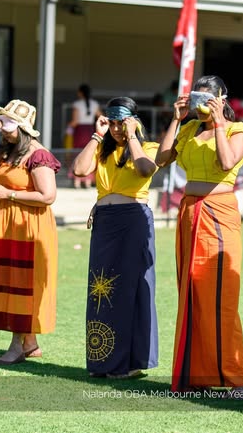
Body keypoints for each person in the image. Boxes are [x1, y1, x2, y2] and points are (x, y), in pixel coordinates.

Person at [155, 75, 243, 394]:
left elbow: (227, 161)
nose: (201, 103)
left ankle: (233, 376)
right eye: (196, 97)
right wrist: (176, 120)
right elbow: (161, 160)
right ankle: (195, 376)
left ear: (222, 98)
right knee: (192, 294)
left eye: (207, 98)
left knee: (221, 296)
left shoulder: (238, 130)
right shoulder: (188, 129)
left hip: (219, 212)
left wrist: (217, 123)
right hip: (189, 212)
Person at [71, 97, 159, 379]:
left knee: (127, 292)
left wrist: (132, 136)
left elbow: (145, 169)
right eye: (113, 123)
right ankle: (102, 361)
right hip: (105, 224)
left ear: (133, 120)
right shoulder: (103, 148)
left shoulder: (147, 147)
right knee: (101, 291)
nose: (118, 129)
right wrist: (97, 134)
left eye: (122, 122)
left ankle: (126, 363)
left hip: (133, 222)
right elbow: (79, 169)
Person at [0, 99, 60, 365]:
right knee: (12, 281)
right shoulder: (8, 151)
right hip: (9, 224)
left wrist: (8, 194)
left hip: (30, 227)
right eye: (1, 123)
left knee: (24, 284)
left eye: (8, 124)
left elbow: (48, 196)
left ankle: (16, 346)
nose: (3, 128)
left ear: (23, 127)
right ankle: (30, 343)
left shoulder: (38, 155)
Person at [69, 84, 102, 188]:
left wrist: (68, 128)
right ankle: (88, 181)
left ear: (80, 92)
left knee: (77, 153)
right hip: (90, 130)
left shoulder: (77, 104)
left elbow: (75, 121)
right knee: (90, 153)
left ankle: (77, 181)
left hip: (80, 131)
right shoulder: (95, 103)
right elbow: (100, 116)